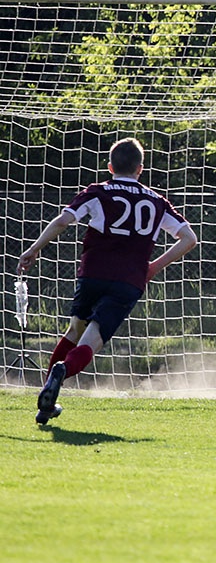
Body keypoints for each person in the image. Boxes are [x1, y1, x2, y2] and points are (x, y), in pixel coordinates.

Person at [17, 137, 198, 425]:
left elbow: (63, 220)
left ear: (110, 166)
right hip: (128, 280)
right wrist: (153, 267)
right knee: (94, 337)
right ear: (141, 168)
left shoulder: (98, 191)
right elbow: (189, 238)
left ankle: (46, 403)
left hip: (93, 273)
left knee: (75, 328)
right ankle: (63, 370)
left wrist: (33, 249)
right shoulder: (156, 201)